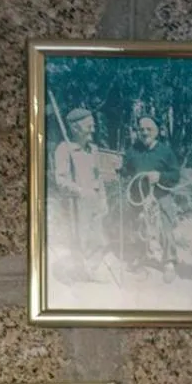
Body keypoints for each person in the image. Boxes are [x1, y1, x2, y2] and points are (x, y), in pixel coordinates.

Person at [50, 107, 112, 280]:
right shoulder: (64, 149)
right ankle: (78, 271)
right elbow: (60, 180)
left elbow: (98, 178)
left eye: (93, 125)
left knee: (98, 238)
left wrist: (103, 199)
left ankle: (91, 270)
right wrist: (80, 191)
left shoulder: (93, 149)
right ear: (75, 128)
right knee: (79, 238)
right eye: (88, 126)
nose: (93, 129)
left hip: (94, 199)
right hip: (75, 202)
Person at [118, 115, 182, 277]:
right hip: (138, 197)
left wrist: (160, 176)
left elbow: (175, 175)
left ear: (157, 132)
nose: (145, 132)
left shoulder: (166, 152)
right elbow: (127, 171)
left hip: (161, 196)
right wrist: (120, 170)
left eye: (149, 129)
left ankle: (169, 263)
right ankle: (140, 258)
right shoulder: (133, 150)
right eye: (141, 129)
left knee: (166, 230)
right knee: (139, 228)